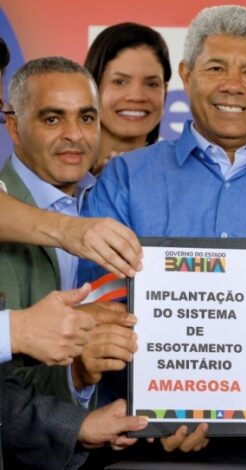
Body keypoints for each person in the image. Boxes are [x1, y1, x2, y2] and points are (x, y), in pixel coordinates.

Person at [79, 6, 246, 469]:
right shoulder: (126, 179)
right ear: (187, 76)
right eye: (216, 68)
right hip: (144, 449)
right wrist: (164, 406)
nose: (233, 85)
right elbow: (96, 312)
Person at [0, 56, 136, 406]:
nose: (74, 135)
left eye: (86, 118)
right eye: (52, 119)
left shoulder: (115, 196)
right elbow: (7, 387)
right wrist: (76, 369)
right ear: (14, 127)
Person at [84, 22, 171, 175]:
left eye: (151, 84)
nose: (137, 96)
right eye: (120, 82)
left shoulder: (183, 177)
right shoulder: (54, 175)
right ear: (93, 87)